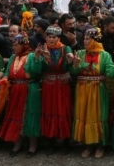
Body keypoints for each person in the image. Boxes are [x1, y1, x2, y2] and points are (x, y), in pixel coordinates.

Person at [69, 28, 114, 159]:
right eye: (84, 38)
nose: (84, 41)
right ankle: (88, 145)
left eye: (87, 39)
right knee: (84, 114)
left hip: (98, 90)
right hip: (82, 89)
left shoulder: (105, 55)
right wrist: (75, 64)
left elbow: (110, 72)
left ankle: (100, 145)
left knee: (97, 115)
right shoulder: (79, 53)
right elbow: (74, 73)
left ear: (95, 40)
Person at [0, 33, 43, 157]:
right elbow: (7, 72)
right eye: (13, 45)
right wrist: (4, 78)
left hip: (29, 89)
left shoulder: (32, 56)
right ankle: (17, 143)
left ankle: (32, 146)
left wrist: (37, 57)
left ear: (24, 45)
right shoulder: (12, 57)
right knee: (15, 115)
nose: (14, 47)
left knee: (29, 115)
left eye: (16, 45)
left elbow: (36, 71)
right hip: (15, 90)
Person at [39, 26, 73, 154]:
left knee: (63, 110)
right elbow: (39, 69)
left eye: (54, 37)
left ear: (59, 38)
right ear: (46, 37)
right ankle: (51, 142)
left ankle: (65, 142)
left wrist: (70, 62)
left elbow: (69, 67)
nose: (51, 39)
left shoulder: (66, 49)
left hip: (62, 85)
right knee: (49, 110)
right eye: (49, 37)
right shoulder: (42, 49)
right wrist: (44, 59)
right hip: (48, 85)